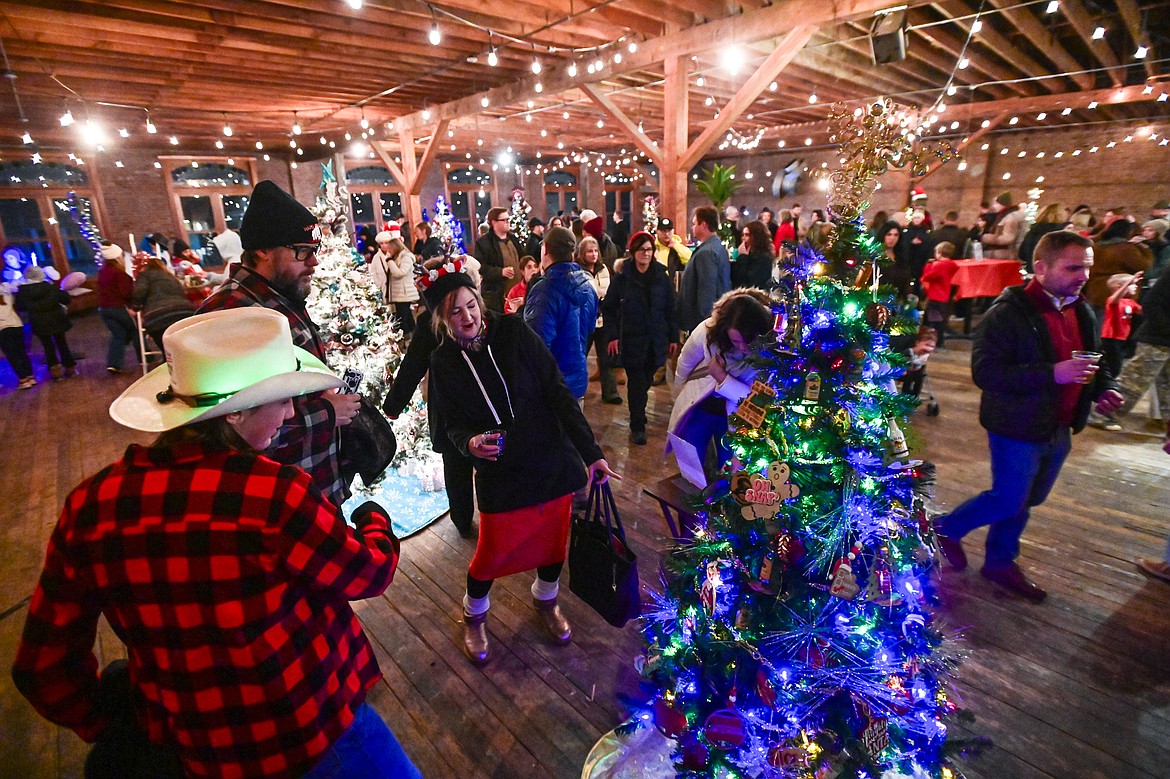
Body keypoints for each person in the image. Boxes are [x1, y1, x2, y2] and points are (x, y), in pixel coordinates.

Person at [11, 308, 419, 778]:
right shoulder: (273, 494)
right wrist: (374, 521)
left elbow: (42, 667)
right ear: (237, 410)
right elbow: (366, 571)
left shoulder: (91, 506)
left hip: (195, 752)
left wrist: (113, 721)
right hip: (311, 727)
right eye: (281, 399)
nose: (290, 412)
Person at [424, 268, 618, 665]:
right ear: (443, 320)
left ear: (480, 302)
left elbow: (557, 390)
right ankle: (474, 615)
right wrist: (470, 443)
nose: (467, 315)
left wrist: (591, 451)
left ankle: (546, 601)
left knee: (552, 543)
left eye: (471, 304)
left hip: (550, 460)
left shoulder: (513, 332)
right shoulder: (443, 361)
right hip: (501, 473)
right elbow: (452, 425)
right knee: (490, 554)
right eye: (455, 311)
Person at [934, 231, 1124, 602]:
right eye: (1073, 267)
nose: (1083, 275)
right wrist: (1054, 372)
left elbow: (1094, 362)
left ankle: (1000, 562)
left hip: (1059, 425)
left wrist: (1105, 388)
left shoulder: (1080, 308)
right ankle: (944, 529)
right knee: (1008, 498)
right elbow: (987, 374)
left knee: (1028, 499)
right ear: (1040, 267)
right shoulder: (1006, 315)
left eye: (1086, 267)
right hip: (1017, 426)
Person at [200, 179, 360, 507]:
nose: (313, 263)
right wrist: (327, 412)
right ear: (263, 249)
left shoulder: (277, 298)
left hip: (311, 484)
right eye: (303, 252)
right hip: (276, 505)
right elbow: (226, 431)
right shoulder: (231, 313)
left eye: (314, 252)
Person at [384, 257, 478, 538]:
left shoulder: (435, 322)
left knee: (458, 468)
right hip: (455, 409)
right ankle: (465, 519)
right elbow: (413, 367)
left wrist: (393, 406)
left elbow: (411, 368)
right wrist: (394, 405)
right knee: (459, 465)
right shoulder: (430, 325)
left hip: (459, 408)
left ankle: (466, 519)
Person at [667, 288, 772, 475]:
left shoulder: (770, 352)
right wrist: (678, 397)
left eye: (748, 341)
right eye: (736, 340)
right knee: (691, 466)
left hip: (737, 417)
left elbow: (755, 399)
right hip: (698, 407)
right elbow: (685, 363)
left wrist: (722, 378)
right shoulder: (709, 330)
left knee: (730, 471)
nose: (742, 347)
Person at [606, 231, 679, 445]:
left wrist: (672, 336)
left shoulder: (661, 277)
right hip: (632, 339)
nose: (646, 254)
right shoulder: (622, 278)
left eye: (649, 250)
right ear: (633, 252)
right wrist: (612, 336)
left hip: (655, 339)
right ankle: (637, 424)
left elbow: (670, 309)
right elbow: (609, 309)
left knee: (645, 380)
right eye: (642, 250)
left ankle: (639, 408)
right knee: (636, 383)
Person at [1087, 265, 1170, 433]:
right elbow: (1151, 302)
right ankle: (1100, 414)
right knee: (1134, 380)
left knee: (1166, 383)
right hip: (1157, 338)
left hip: (1162, 337)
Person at [524, 226, 598, 402]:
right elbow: (588, 330)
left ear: (546, 250)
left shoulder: (545, 290)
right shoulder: (588, 286)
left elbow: (536, 343)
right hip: (578, 379)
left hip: (552, 386)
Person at [576, 235, 621, 404]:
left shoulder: (603, 269)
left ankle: (610, 392)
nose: (593, 254)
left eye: (595, 251)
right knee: (580, 356)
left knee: (606, 357)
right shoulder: (577, 270)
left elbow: (608, 290)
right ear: (582, 253)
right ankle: (576, 390)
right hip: (584, 321)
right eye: (589, 251)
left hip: (602, 319)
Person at [15, 265, 76, 380]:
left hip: (38, 322)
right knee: (62, 343)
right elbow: (66, 299)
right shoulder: (50, 287)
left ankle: (55, 372)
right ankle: (70, 368)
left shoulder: (22, 291)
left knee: (47, 346)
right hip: (56, 319)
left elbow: (20, 307)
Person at [676, 206, 731, 333]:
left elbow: (707, 292)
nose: (692, 227)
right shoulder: (716, 247)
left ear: (704, 225)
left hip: (703, 323)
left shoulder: (707, 252)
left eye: (695, 223)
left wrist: (705, 327)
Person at [132, 253, 196, 358]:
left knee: (168, 353)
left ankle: (172, 371)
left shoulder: (145, 275)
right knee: (186, 349)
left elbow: (139, 292)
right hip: (184, 312)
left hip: (158, 316)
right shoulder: (171, 276)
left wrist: (135, 307)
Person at [1087, 219, 1152, 320]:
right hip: (1117, 290)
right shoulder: (1125, 249)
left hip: (1095, 290)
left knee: (1097, 324)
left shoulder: (1096, 246)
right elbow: (1144, 266)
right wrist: (1144, 248)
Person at [96, 244, 141, 374]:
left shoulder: (101, 272)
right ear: (117, 257)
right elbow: (126, 293)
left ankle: (114, 364)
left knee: (118, 335)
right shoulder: (119, 273)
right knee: (135, 331)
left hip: (104, 308)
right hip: (119, 307)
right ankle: (146, 359)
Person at [472, 206, 524, 313]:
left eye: (508, 219)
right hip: (497, 295)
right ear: (494, 222)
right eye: (504, 220)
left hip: (517, 291)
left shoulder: (513, 239)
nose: (508, 222)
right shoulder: (483, 243)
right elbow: (481, 267)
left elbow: (523, 257)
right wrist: (500, 272)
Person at [370, 233, 419, 337]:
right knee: (406, 316)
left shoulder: (405, 257)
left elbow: (399, 273)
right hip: (397, 293)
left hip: (404, 293)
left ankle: (407, 338)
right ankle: (413, 337)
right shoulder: (379, 258)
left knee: (402, 317)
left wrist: (389, 261)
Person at [920, 241, 960, 346]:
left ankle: (934, 341)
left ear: (939, 253)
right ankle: (932, 339)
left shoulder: (939, 266)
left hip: (935, 298)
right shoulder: (952, 265)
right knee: (937, 321)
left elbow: (929, 276)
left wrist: (929, 265)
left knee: (933, 321)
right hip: (944, 297)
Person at [0, 282, 35, 389]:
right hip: (16, 324)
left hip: (2, 328)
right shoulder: (7, 292)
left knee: (12, 355)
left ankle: (23, 379)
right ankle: (31, 376)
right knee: (22, 351)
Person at [1019, 203, 1068, 273]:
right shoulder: (1061, 232)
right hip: (1053, 273)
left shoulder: (1034, 230)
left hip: (1033, 271)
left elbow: (1023, 253)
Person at [980, 191, 1026, 260]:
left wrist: (987, 237)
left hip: (1004, 255)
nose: (994, 206)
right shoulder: (1004, 216)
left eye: (996, 203)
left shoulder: (1009, 217)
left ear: (1002, 204)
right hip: (1004, 254)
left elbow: (1008, 238)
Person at [732, 220, 775, 290]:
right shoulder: (747, 255)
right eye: (742, 235)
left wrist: (743, 257)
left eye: (747, 235)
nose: (743, 238)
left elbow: (750, 281)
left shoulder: (764, 258)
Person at [655, 217, 692, 284]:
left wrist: (676, 246)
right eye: (663, 231)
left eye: (669, 230)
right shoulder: (654, 248)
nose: (666, 234)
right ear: (657, 232)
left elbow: (690, 260)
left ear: (673, 231)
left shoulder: (678, 247)